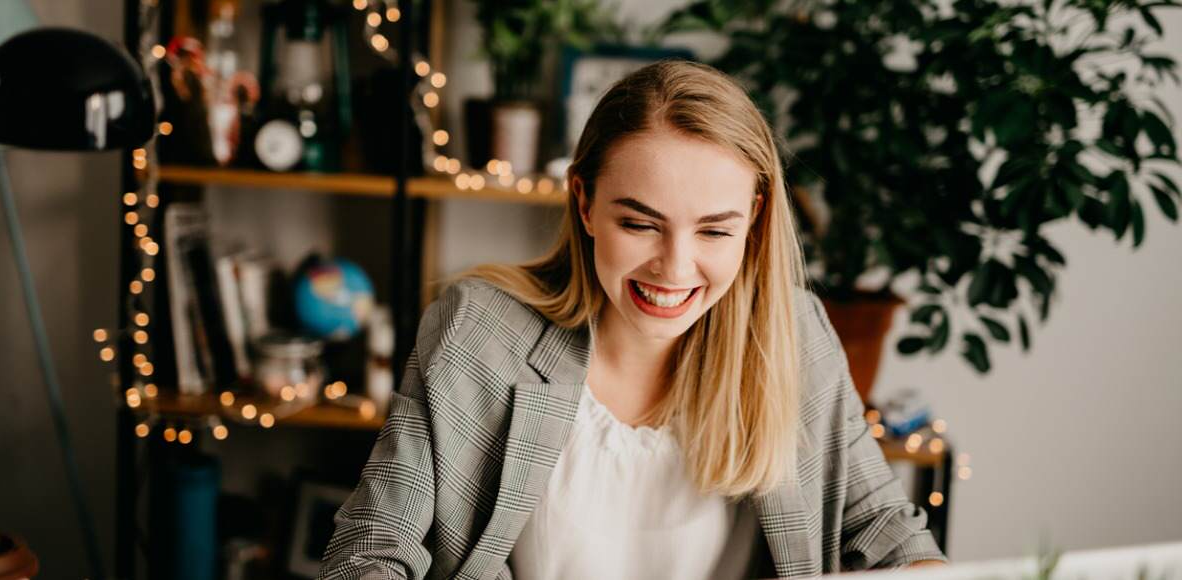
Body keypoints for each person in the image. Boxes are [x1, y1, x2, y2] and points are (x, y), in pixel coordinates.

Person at [318, 60, 947, 579]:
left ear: (753, 220)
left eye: (713, 231)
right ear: (584, 201)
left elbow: (885, 533)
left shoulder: (794, 336)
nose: (675, 269)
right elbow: (373, 543)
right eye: (640, 224)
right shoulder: (479, 330)